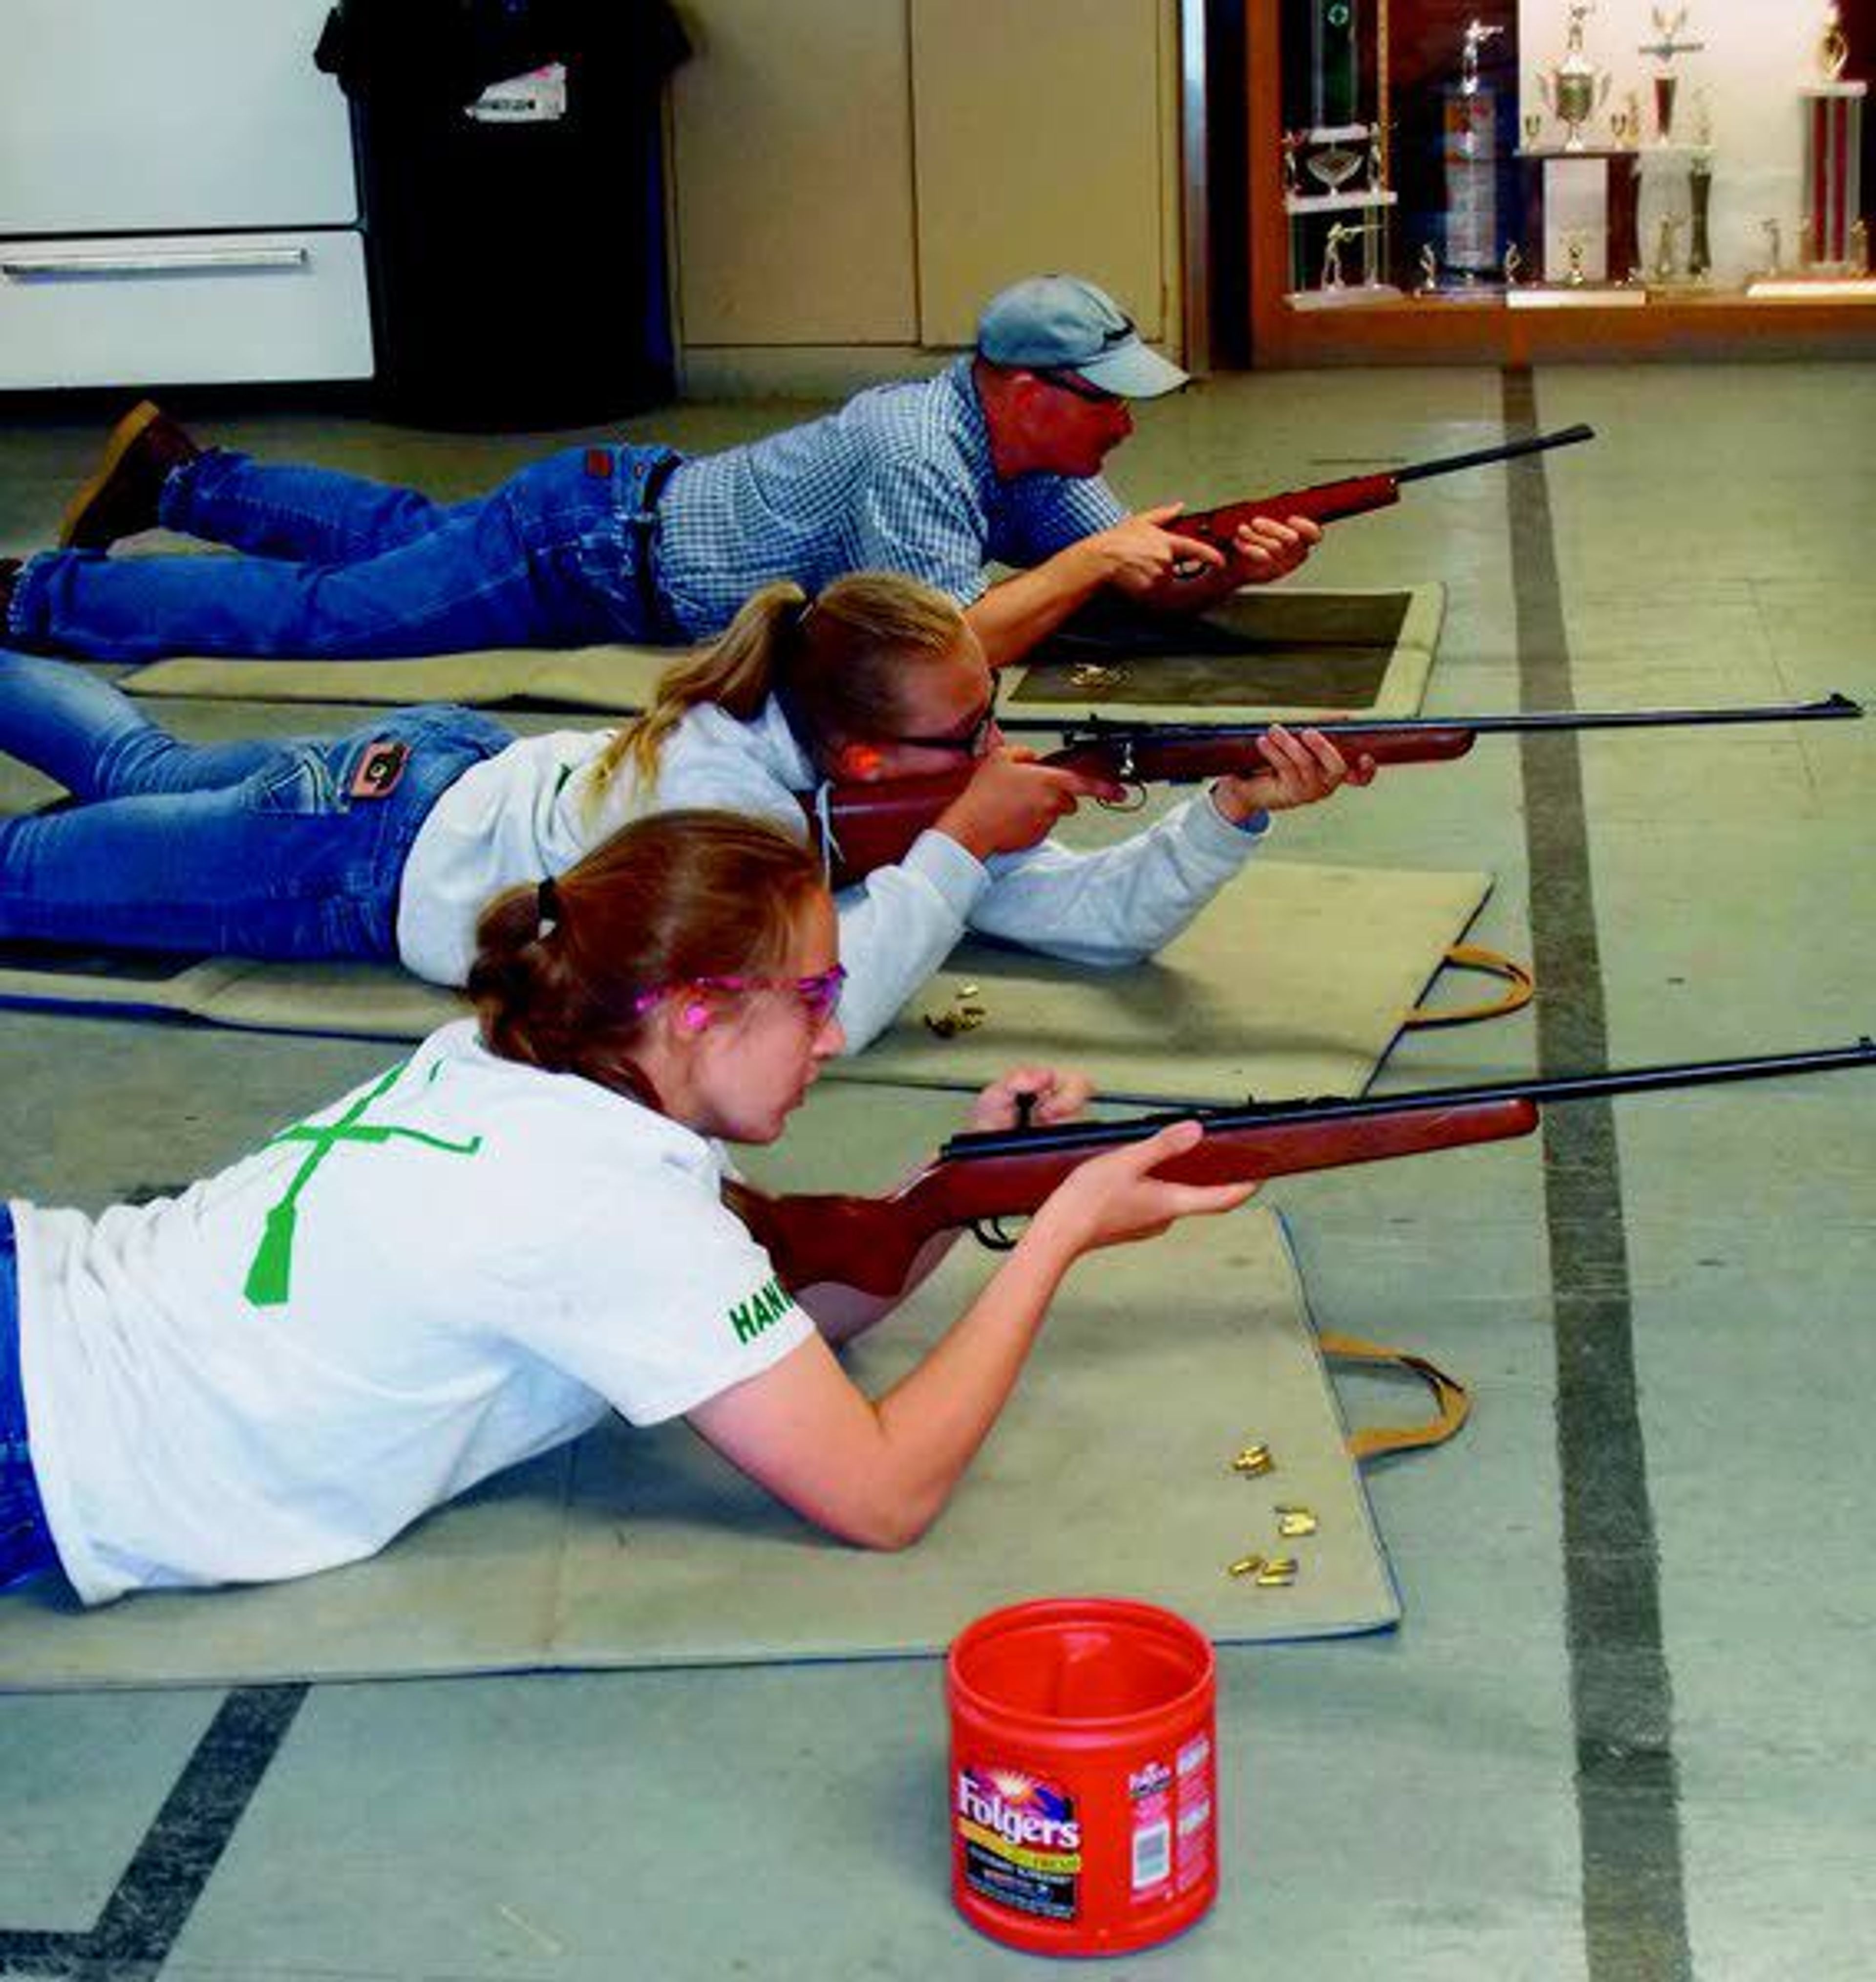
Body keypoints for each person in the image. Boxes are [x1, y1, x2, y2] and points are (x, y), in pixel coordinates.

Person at [0, 810, 1256, 1604]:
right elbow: (880, 1495)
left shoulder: (511, 1058)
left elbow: (768, 1321)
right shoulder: (614, 1213)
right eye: (811, 1000)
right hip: (50, 1437)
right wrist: (1056, 1234)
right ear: (696, 1012)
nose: (833, 1036)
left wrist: (958, 1187)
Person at [0, 572, 1370, 1051]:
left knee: (132, 772)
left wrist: (1229, 813)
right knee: (25, 877)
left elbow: (1092, 923)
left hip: (418, 782)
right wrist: (962, 846)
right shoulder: (725, 815)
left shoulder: (863, 775)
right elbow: (823, 1011)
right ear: (864, 749)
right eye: (966, 736)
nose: (995, 748)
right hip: (346, 858)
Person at [0, 275, 1318, 672]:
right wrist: (1100, 559)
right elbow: (941, 656)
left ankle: (180, 479)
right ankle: (36, 599)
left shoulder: (1016, 448)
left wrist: (1215, 569)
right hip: (588, 548)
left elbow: (1144, 580)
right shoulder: (923, 451)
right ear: (1034, 393)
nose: (1126, 433)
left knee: (404, 535)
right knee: (331, 620)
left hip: (604, 514)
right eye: (1110, 408)